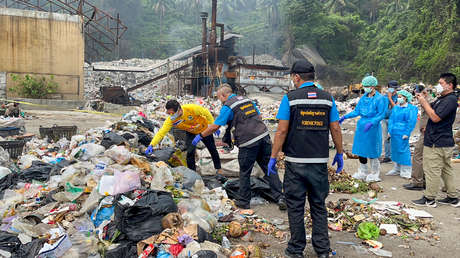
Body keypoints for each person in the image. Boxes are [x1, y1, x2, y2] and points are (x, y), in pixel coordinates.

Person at [268, 60, 344, 258]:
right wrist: (340, 152)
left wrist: (273, 156)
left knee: (295, 206)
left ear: (296, 77)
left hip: (295, 163)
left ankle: (295, 250)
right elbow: (335, 127)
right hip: (319, 164)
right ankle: (323, 251)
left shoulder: (290, 98)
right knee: (318, 205)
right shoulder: (328, 99)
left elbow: (281, 130)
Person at [195, 84, 286, 210]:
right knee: (269, 167)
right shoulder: (247, 100)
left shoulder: (228, 106)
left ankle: (243, 201)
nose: (219, 100)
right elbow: (258, 116)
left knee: (245, 172)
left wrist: (200, 135)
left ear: (223, 95)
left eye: (218, 98)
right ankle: (280, 197)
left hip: (248, 142)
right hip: (264, 136)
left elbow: (215, 126)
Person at [412, 73, 459, 207]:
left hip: (437, 141)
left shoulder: (450, 100)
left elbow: (436, 117)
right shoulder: (442, 98)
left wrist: (423, 102)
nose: (438, 86)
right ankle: (452, 197)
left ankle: (429, 198)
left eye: (441, 83)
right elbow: (433, 113)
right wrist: (425, 100)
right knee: (445, 170)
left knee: (431, 169)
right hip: (441, 139)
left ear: (450, 85)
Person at [145, 100, 222, 173]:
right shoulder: (171, 120)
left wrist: (213, 125)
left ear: (179, 109)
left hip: (204, 130)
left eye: (173, 113)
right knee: (190, 152)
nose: (172, 115)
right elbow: (161, 133)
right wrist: (151, 145)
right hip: (191, 132)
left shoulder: (191, 108)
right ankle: (193, 173)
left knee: (212, 149)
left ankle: (218, 168)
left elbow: (206, 113)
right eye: (170, 113)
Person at [339, 75, 388, 182]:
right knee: (360, 150)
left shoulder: (380, 99)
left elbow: (382, 114)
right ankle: (363, 171)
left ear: (373, 86)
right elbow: (357, 111)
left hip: (372, 128)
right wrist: (345, 116)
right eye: (364, 85)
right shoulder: (364, 98)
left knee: (372, 151)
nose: (365, 87)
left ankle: (375, 173)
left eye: (367, 86)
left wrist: (372, 122)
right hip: (361, 127)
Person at [404, 85, 432, 190]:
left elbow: (431, 116)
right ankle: (423, 180)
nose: (417, 97)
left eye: (418, 95)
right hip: (426, 132)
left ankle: (417, 182)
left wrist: (426, 127)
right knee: (423, 157)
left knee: (417, 156)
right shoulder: (425, 101)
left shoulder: (427, 102)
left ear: (423, 93)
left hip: (427, 133)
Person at [385, 90, 418, 178]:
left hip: (403, 132)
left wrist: (407, 132)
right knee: (394, 149)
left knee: (403, 151)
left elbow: (411, 121)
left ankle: (406, 170)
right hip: (394, 132)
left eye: (400, 97)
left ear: (406, 98)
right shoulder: (396, 108)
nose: (398, 98)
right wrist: (390, 131)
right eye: (398, 97)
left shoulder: (411, 108)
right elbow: (391, 120)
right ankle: (397, 168)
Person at [381, 80, 399, 163]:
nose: (391, 89)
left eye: (393, 88)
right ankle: (387, 156)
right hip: (385, 119)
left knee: (393, 138)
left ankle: (394, 156)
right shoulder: (384, 96)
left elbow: (395, 107)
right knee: (386, 138)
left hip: (393, 119)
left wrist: (390, 97)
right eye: (390, 87)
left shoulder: (398, 97)